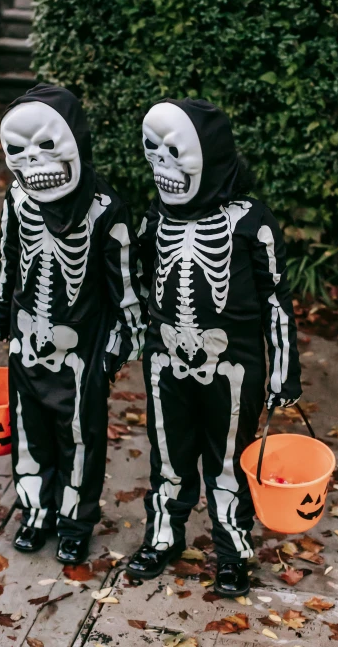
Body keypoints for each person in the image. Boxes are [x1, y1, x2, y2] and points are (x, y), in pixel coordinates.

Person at [127, 98, 301, 597]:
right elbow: (137, 281)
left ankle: (231, 551)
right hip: (165, 363)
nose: (162, 167)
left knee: (228, 461)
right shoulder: (155, 218)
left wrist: (283, 372)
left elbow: (276, 299)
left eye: (175, 154)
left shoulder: (251, 220)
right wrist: (131, 335)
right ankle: (163, 536)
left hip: (233, 369)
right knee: (168, 456)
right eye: (153, 153)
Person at [0, 84, 145, 565]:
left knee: (79, 438)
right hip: (27, 341)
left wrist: (121, 343)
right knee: (29, 435)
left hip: (80, 353)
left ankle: (75, 521)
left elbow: (127, 291)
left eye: (47, 144)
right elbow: (9, 261)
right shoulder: (17, 198)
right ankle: (37, 511)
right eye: (18, 150)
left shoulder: (106, 209)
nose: (32, 160)